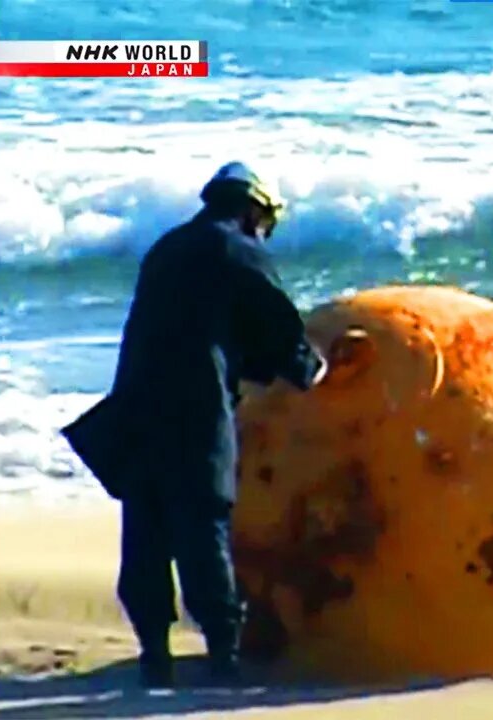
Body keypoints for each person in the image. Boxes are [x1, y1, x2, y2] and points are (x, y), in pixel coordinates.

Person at [61, 161, 324, 687]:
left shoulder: (167, 248)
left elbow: (210, 331)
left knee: (147, 535)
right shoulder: (240, 252)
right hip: (195, 413)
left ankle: (154, 656)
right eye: (268, 220)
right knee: (204, 529)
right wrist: (311, 370)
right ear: (253, 209)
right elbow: (278, 332)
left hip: (136, 408)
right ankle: (225, 657)